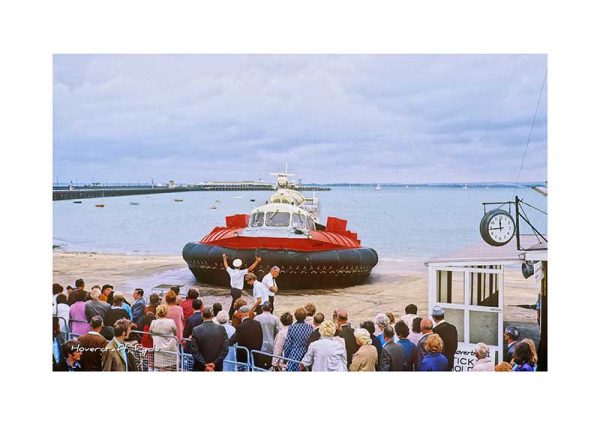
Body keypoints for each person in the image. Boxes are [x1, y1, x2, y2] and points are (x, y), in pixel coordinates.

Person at [189, 306, 229, 371]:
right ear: (213, 316)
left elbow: (194, 351)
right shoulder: (221, 329)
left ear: (202, 315)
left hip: (200, 366)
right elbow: (225, 349)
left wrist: (205, 364)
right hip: (216, 366)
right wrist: (214, 363)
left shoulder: (196, 330)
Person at [223, 254, 261, 318]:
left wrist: (224, 258)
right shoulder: (241, 272)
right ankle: (233, 316)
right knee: (237, 304)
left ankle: (232, 315)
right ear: (240, 265)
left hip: (233, 290)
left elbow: (226, 265)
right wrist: (257, 261)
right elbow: (250, 268)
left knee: (235, 303)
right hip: (237, 291)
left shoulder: (231, 271)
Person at [283, 307, 314, 372]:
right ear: (305, 316)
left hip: (294, 355)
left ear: (295, 316)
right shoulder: (310, 327)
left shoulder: (292, 328)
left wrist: (285, 359)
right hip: (306, 355)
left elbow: (288, 345)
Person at [150, 305, 179, 370]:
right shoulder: (171, 321)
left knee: (161, 367)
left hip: (158, 347)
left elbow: (150, 333)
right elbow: (175, 333)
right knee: (172, 366)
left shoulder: (154, 322)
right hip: (170, 347)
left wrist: (155, 338)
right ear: (166, 312)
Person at [254, 302, 280, 368]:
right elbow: (277, 332)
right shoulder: (275, 318)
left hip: (260, 346)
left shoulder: (257, 318)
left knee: (260, 367)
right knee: (270, 366)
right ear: (271, 309)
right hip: (271, 345)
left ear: (262, 308)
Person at [431, 306, 458, 371]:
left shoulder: (435, 330)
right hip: (450, 362)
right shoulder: (453, 328)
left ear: (434, 318)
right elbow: (455, 346)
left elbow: (435, 348)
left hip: (439, 364)